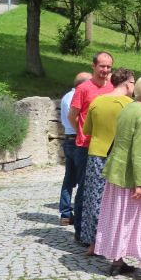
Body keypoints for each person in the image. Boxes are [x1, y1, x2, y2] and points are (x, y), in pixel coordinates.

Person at [94, 76, 141, 280]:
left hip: (118, 172)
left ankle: (117, 262)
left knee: (119, 217)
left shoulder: (128, 109)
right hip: (135, 177)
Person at [80, 68, 135, 254]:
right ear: (128, 84)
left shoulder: (97, 101)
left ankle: (93, 243)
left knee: (93, 199)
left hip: (96, 154)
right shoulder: (130, 105)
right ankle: (113, 243)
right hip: (119, 156)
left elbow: (87, 130)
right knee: (117, 201)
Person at [68, 52, 114, 243]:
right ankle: (80, 231)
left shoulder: (113, 88)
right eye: (102, 66)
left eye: (108, 67)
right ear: (93, 66)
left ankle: (99, 231)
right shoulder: (83, 88)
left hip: (108, 147)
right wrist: (82, 133)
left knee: (104, 191)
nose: (105, 70)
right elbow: (72, 116)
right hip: (86, 147)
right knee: (84, 189)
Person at [58, 72, 91, 226]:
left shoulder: (66, 96)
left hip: (68, 139)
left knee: (69, 179)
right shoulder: (77, 96)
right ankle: (80, 215)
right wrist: (82, 133)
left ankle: (65, 213)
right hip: (77, 140)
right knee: (82, 180)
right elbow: (75, 118)